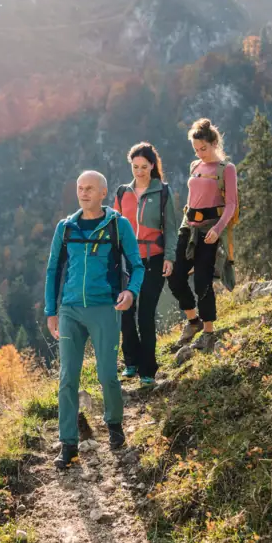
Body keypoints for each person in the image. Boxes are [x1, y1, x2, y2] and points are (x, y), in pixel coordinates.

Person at [45, 170, 145, 469]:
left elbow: (137, 266)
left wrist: (130, 292)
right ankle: (68, 444)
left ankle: (114, 426)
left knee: (107, 375)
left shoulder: (118, 225)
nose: (83, 193)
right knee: (67, 379)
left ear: (103, 193)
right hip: (70, 310)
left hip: (105, 308)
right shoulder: (65, 228)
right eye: (79, 188)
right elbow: (53, 271)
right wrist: (51, 311)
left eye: (89, 188)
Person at [168, 118, 238, 352]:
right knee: (175, 276)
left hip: (210, 230)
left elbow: (231, 205)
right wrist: (184, 226)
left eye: (203, 148)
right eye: (196, 149)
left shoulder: (226, 169)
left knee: (202, 281)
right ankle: (193, 321)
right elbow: (190, 200)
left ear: (214, 143)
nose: (200, 153)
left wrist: (217, 230)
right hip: (189, 228)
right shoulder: (194, 166)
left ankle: (208, 331)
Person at [113, 142, 177, 387]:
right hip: (127, 260)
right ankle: (131, 362)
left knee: (146, 314)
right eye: (135, 166)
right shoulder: (122, 193)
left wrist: (170, 257)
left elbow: (171, 228)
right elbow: (115, 227)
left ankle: (148, 369)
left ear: (152, 165)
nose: (139, 171)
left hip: (154, 259)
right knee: (126, 311)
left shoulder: (162, 192)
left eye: (144, 166)